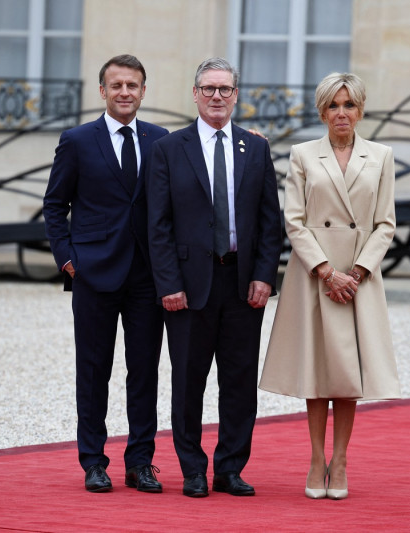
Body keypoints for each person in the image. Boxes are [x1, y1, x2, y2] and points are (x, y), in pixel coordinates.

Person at [258, 72, 401, 500]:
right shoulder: (302, 155)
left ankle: (340, 460)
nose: (342, 113)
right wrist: (325, 270)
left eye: (350, 105)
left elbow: (385, 224)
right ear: (322, 111)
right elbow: (294, 221)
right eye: (334, 105)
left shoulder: (381, 156)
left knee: (347, 372)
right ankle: (316, 457)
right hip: (314, 276)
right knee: (317, 370)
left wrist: (356, 272)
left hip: (358, 278)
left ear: (361, 110)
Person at [146, 57, 282, 498]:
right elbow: (158, 224)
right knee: (188, 381)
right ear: (195, 94)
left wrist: (265, 276)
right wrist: (168, 284)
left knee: (239, 382)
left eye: (225, 89)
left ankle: (229, 468)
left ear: (236, 95)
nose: (217, 97)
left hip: (242, 285)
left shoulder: (255, 148)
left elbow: (269, 222)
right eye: (209, 89)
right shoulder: (169, 148)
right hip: (188, 287)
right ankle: (191, 469)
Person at [43, 54, 168, 494]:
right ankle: (94, 462)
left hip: (147, 277)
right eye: (116, 85)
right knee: (93, 371)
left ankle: (141, 462)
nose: (124, 92)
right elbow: (55, 205)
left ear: (143, 91)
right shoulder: (77, 141)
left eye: (132, 85)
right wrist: (66, 258)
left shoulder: (160, 140)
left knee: (145, 371)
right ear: (102, 91)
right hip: (93, 274)